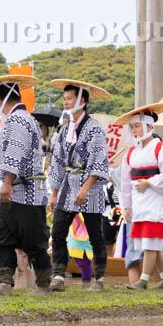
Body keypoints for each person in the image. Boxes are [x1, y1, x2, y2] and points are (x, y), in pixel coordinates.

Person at [0, 74, 52, 296]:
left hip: (25, 189)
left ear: (0, 100)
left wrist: (7, 181)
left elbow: (15, 151)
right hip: (13, 186)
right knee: (5, 237)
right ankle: (4, 283)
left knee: (33, 237)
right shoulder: (19, 118)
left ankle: (43, 284)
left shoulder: (18, 119)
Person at [46, 80, 111, 292]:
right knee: (58, 232)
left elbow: (99, 160)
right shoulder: (64, 131)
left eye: (69, 98)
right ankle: (58, 276)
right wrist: (53, 192)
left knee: (95, 234)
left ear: (81, 100)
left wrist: (85, 187)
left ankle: (99, 279)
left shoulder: (94, 129)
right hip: (66, 185)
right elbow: (56, 161)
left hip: (89, 188)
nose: (65, 102)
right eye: (64, 99)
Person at [118, 104, 163, 290]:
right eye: (132, 127)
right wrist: (126, 206)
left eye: (138, 126)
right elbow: (125, 182)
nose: (135, 130)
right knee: (150, 241)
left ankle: (143, 280)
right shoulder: (131, 152)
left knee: (151, 241)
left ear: (149, 127)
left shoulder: (161, 149)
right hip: (139, 201)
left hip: (155, 199)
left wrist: (150, 182)